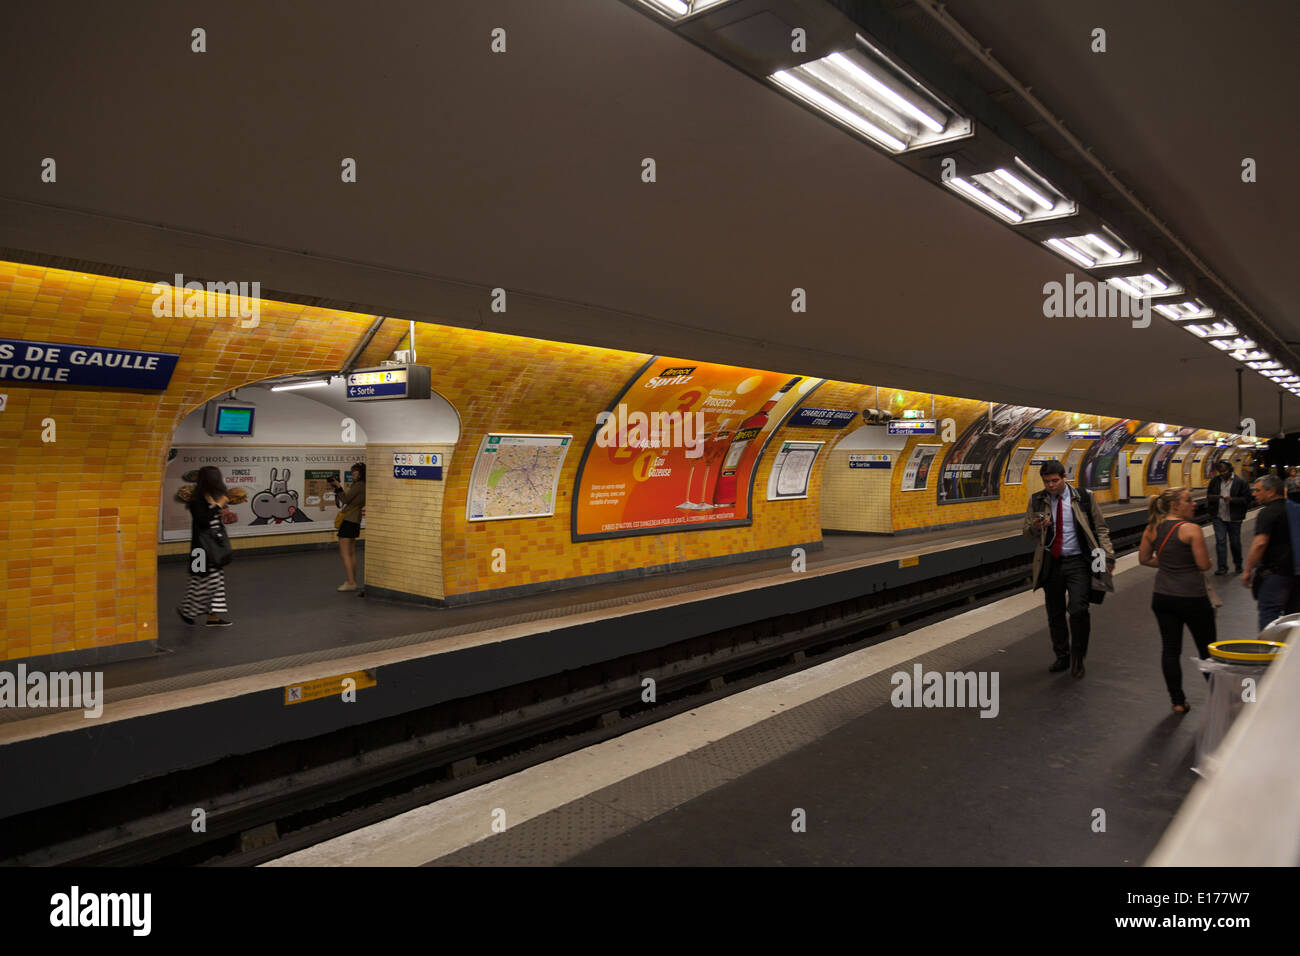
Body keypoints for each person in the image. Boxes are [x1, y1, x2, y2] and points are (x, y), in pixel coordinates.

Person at [1024, 460, 1116, 678]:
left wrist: (1108, 557)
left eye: (1055, 481)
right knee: (1055, 613)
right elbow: (1026, 533)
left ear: (1065, 477)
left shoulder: (1084, 497)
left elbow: (1100, 527)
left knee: (1078, 610)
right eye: (1046, 482)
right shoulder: (1037, 500)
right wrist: (1036, 527)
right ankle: (1062, 656)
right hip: (1052, 563)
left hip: (1079, 562)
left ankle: (1078, 657)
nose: (1051, 486)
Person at [1138, 487, 1214, 714]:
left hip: (1162, 597)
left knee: (1170, 650)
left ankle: (1178, 702)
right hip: (1193, 598)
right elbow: (1203, 565)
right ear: (1174, 505)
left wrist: (1166, 563)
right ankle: (1218, 695)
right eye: (1188, 500)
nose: (1194, 504)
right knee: (1207, 649)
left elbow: (1144, 559)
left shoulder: (1152, 528)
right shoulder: (1191, 530)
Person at [1241, 474, 1300, 630]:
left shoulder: (1267, 512)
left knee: (1269, 614)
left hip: (1276, 574)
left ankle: (1269, 652)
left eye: (1258, 490)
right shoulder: (1295, 509)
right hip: (1296, 573)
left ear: (1271, 492)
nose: (1254, 494)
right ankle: (1291, 652)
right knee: (1293, 617)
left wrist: (1248, 570)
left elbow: (1260, 543)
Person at [177, 465, 234, 627]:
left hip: (213, 548)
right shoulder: (197, 500)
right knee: (200, 581)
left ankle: (211, 617)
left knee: (213, 582)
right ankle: (189, 612)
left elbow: (216, 521)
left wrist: (224, 511)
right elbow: (202, 521)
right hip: (200, 550)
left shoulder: (212, 497)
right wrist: (217, 506)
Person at [1205, 461, 1249, 575]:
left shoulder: (1241, 482)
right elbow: (1208, 496)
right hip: (1218, 516)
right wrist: (1218, 497)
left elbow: (1247, 500)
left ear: (1231, 470)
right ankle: (1222, 568)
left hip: (1234, 517)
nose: (1222, 474)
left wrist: (1232, 499)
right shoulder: (1215, 481)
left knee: (1235, 542)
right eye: (1220, 471)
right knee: (1220, 542)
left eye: (1224, 471)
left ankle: (1238, 565)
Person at [329, 463, 367, 592]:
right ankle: (352, 580)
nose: (352, 474)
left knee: (345, 553)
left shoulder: (359, 485)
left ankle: (351, 583)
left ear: (361, 473)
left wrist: (338, 487)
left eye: (355, 472)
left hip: (348, 521)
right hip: (355, 520)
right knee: (351, 553)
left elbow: (345, 500)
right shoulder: (365, 485)